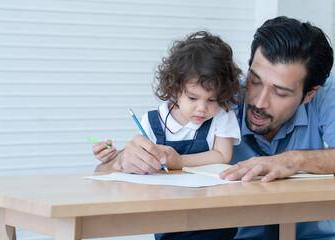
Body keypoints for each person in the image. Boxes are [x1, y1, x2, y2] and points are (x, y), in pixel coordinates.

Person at [94, 17, 335, 240]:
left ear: (309, 93)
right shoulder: (215, 94)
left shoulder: (325, 94)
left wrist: (293, 160)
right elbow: (109, 173)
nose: (256, 100)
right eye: (255, 80)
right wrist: (120, 160)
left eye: (280, 92)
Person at [93, 30, 242, 240]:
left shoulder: (222, 115)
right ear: (174, 88)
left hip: (213, 216)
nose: (202, 108)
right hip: (168, 216)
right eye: (193, 98)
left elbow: (222, 156)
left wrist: (179, 161)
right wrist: (117, 157)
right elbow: (143, 162)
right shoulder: (153, 121)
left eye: (211, 100)